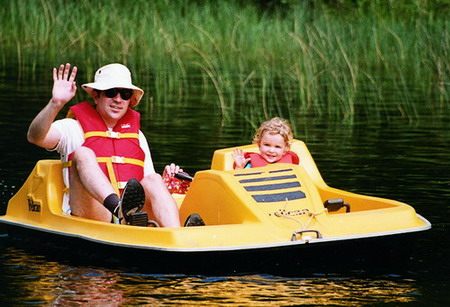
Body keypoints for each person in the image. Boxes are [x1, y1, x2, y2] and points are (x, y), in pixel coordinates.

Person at [27, 63, 184, 227]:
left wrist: (167, 180)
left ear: (130, 100)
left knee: (153, 179)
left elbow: (148, 184)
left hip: (133, 217)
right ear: (96, 96)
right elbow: (35, 137)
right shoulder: (71, 127)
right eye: (111, 92)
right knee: (82, 154)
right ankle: (119, 209)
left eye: (125, 94)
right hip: (94, 213)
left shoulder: (137, 135)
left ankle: (176, 236)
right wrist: (55, 103)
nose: (118, 99)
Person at [233, 117, 299, 169]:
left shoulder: (290, 165)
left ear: (285, 149)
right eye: (267, 145)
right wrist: (239, 167)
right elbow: (236, 183)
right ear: (259, 145)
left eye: (277, 147)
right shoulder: (249, 165)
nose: (271, 150)